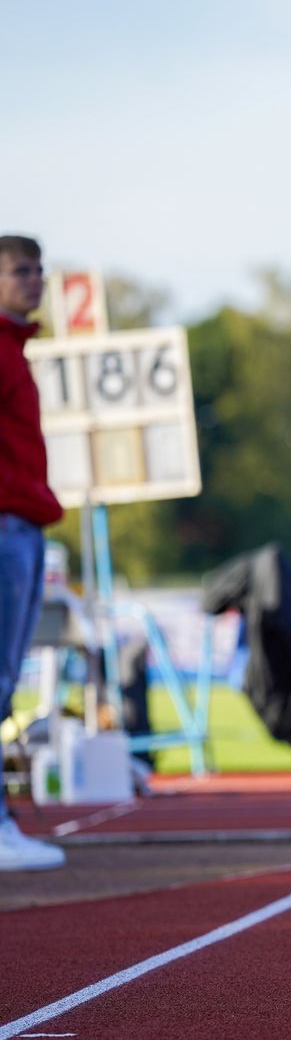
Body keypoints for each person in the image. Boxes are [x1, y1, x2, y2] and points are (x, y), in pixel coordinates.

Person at [0, 234, 67, 871]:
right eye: (21, 270)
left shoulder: (15, 350)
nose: (35, 280)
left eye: (39, 270)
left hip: (20, 523)